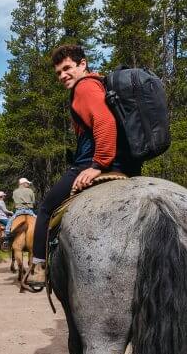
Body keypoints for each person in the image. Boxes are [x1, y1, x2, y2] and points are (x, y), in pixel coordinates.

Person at [26, 44, 136, 291]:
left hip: (92, 163)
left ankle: (39, 265)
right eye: (58, 73)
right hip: (123, 165)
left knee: (45, 208)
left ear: (82, 64)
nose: (63, 75)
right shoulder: (99, 84)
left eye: (67, 68)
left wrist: (98, 164)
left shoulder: (85, 87)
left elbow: (105, 122)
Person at [1, 178, 36, 248]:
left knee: (9, 223)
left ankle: (7, 240)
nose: (28, 184)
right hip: (29, 211)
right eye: (27, 183)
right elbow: (33, 201)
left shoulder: (15, 192)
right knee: (40, 222)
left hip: (19, 211)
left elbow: (15, 202)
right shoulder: (30, 191)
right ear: (23, 183)